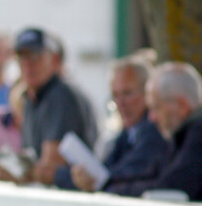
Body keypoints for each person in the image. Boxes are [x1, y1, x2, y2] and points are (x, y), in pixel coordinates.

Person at [55, 56, 168, 191]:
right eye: (115, 95)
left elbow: (117, 175)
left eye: (127, 93)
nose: (121, 103)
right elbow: (106, 170)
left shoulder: (155, 129)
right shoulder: (128, 133)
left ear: (148, 93)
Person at [105, 62, 202, 200]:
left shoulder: (201, 134)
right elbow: (157, 178)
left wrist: (112, 190)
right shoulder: (183, 134)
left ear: (182, 106)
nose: (151, 117)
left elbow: (171, 188)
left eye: (156, 107)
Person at [14, 27, 96, 185]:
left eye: (35, 56)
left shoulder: (60, 94)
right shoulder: (34, 96)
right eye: (21, 56)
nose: (27, 64)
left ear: (55, 59)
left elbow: (48, 170)